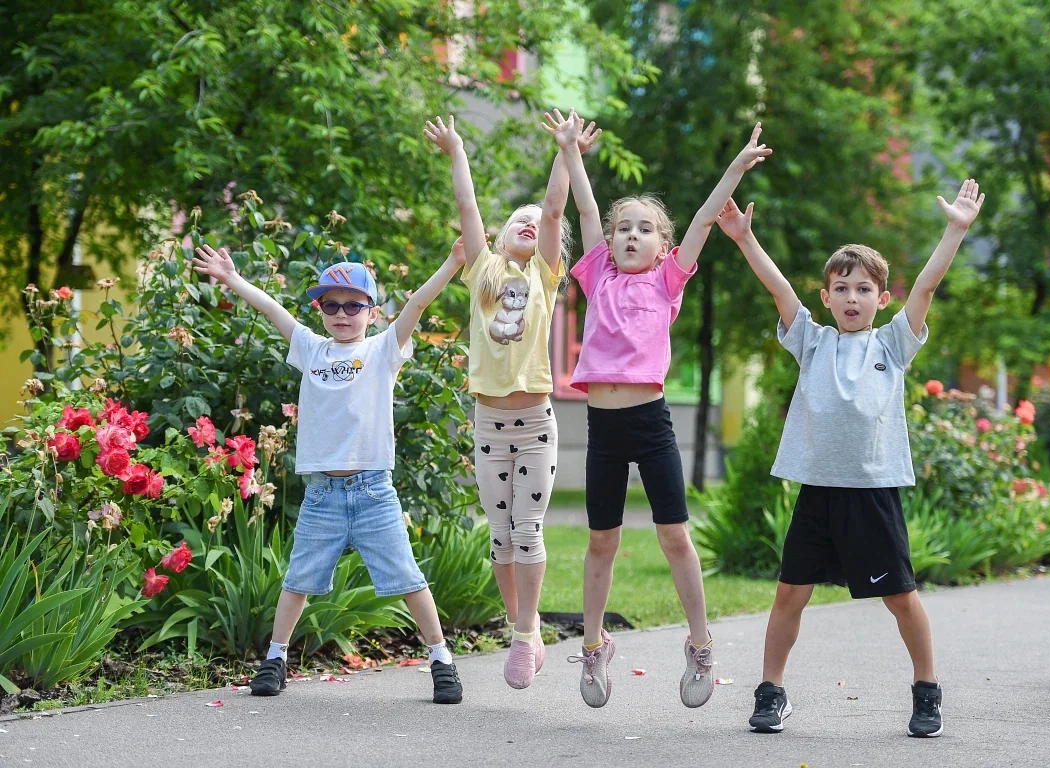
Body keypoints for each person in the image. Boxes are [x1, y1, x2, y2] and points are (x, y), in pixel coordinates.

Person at [715, 179, 985, 737]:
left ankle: (927, 691)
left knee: (901, 598)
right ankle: (771, 692)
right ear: (827, 297)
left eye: (864, 288)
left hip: (872, 493)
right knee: (789, 595)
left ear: (881, 299)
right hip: (818, 492)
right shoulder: (812, 342)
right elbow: (778, 287)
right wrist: (743, 238)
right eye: (842, 288)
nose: (852, 298)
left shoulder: (892, 344)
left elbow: (927, 286)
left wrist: (955, 231)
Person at [544, 108, 772, 709]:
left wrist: (736, 167)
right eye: (623, 228)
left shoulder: (667, 282)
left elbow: (703, 218)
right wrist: (570, 152)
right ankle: (593, 646)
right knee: (601, 542)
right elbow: (585, 211)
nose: (630, 235)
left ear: (662, 245)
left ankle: (700, 644)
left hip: (651, 423)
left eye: (644, 229)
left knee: (674, 535)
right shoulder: (598, 274)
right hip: (602, 427)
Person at [190, 239, 469, 704]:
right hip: (323, 495)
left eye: (353, 305)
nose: (342, 313)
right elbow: (272, 308)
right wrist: (232, 279)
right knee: (298, 579)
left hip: (373, 492)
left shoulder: (383, 350)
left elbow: (418, 303)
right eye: (331, 305)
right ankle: (275, 658)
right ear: (320, 311)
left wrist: (453, 261)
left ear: (372, 313)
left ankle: (441, 659)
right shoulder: (311, 349)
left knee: (408, 578)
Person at [423, 113, 600, 689]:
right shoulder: (482, 271)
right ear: (499, 238)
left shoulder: (545, 276)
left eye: (532, 221)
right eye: (515, 220)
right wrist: (457, 150)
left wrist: (565, 152)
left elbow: (554, 209)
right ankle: (525, 625)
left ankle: (524, 637)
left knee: (527, 529)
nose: (527, 222)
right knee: (499, 537)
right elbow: (467, 205)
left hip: (534, 422)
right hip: (488, 425)